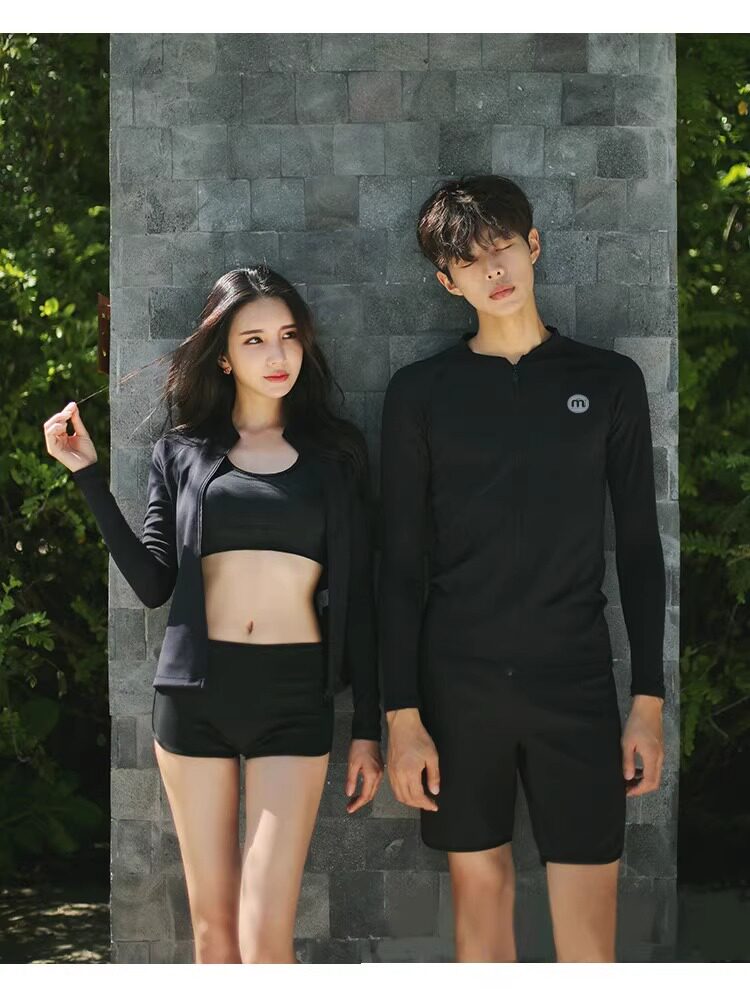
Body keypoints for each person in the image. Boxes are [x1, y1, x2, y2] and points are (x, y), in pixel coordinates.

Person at [43, 265, 384, 964]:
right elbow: (152, 583)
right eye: (254, 340)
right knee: (214, 938)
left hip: (294, 696)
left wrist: (368, 727)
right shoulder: (182, 453)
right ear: (223, 356)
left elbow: (360, 600)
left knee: (263, 937)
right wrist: (87, 474)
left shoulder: (337, 455)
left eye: (288, 335)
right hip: (194, 696)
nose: (277, 354)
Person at [378, 175, 666, 963]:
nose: (494, 269)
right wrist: (403, 717)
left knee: (589, 940)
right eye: (471, 261)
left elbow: (640, 547)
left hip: (575, 682)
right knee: (482, 914)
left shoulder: (608, 381)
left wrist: (647, 703)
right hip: (458, 687)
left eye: (503, 247)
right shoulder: (419, 394)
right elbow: (398, 565)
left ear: (533, 245)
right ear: (448, 281)